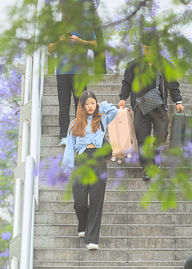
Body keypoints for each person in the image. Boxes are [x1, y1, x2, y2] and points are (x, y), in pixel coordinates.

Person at [118, 32, 184, 181]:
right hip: (140, 106)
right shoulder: (134, 65)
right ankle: (147, 167)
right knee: (142, 138)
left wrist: (178, 101)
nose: (149, 52)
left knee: (161, 134)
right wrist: (123, 98)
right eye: (146, 49)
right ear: (143, 48)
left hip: (159, 106)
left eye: (152, 49)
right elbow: (126, 83)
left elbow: (173, 84)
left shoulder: (165, 64)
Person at [62, 90, 118, 250]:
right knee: (79, 202)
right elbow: (69, 148)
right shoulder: (74, 124)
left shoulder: (102, 120)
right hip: (81, 161)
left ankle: (92, 239)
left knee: (96, 201)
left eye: (93, 103)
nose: (91, 106)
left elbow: (114, 110)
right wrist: (66, 168)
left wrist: (102, 105)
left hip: (98, 161)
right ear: (82, 106)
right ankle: (83, 224)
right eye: (87, 104)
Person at [48, 12, 97, 146]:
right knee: (63, 105)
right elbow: (50, 48)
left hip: (80, 72)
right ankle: (64, 136)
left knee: (81, 105)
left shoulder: (85, 25)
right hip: (62, 72)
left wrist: (79, 41)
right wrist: (59, 40)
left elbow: (95, 44)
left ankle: (81, 134)